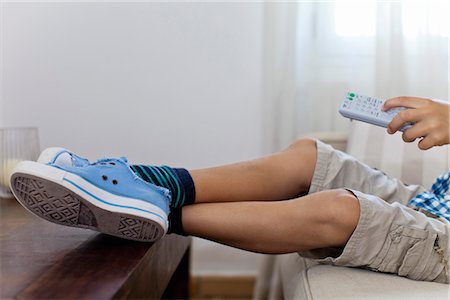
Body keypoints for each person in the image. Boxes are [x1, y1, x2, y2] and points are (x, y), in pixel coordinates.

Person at [10, 96, 450, 284]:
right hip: (432, 199)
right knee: (308, 156)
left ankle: (149, 211)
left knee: (340, 211)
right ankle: (142, 183)